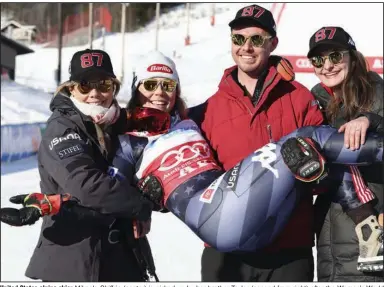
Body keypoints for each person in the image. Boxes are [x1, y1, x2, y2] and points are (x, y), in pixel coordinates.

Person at [1, 52, 384, 279]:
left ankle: (367, 219)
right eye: (149, 86)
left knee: (311, 156)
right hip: (215, 218)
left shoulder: (190, 120)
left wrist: (270, 72)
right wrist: (52, 202)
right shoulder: (128, 141)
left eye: (167, 87)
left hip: (255, 219)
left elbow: (240, 112)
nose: (158, 95)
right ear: (136, 90)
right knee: (309, 138)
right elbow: (102, 189)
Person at [188, 4, 324, 282]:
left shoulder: (299, 98)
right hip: (226, 253)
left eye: (256, 39)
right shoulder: (207, 111)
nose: (246, 47)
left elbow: (326, 168)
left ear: (272, 43)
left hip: (288, 250)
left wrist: (313, 171)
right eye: (238, 39)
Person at [0, 48, 157, 282]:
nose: (95, 93)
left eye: (103, 85)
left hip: (122, 258)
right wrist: (140, 205)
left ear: (113, 87)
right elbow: (87, 186)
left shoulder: (116, 122)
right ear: (71, 88)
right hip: (75, 261)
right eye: (85, 85)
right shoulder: (62, 128)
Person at [307, 27, 384, 280]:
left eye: (335, 56)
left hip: (374, 228)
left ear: (351, 56)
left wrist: (369, 120)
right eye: (318, 59)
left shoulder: (375, 91)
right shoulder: (315, 102)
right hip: (329, 233)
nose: (327, 66)